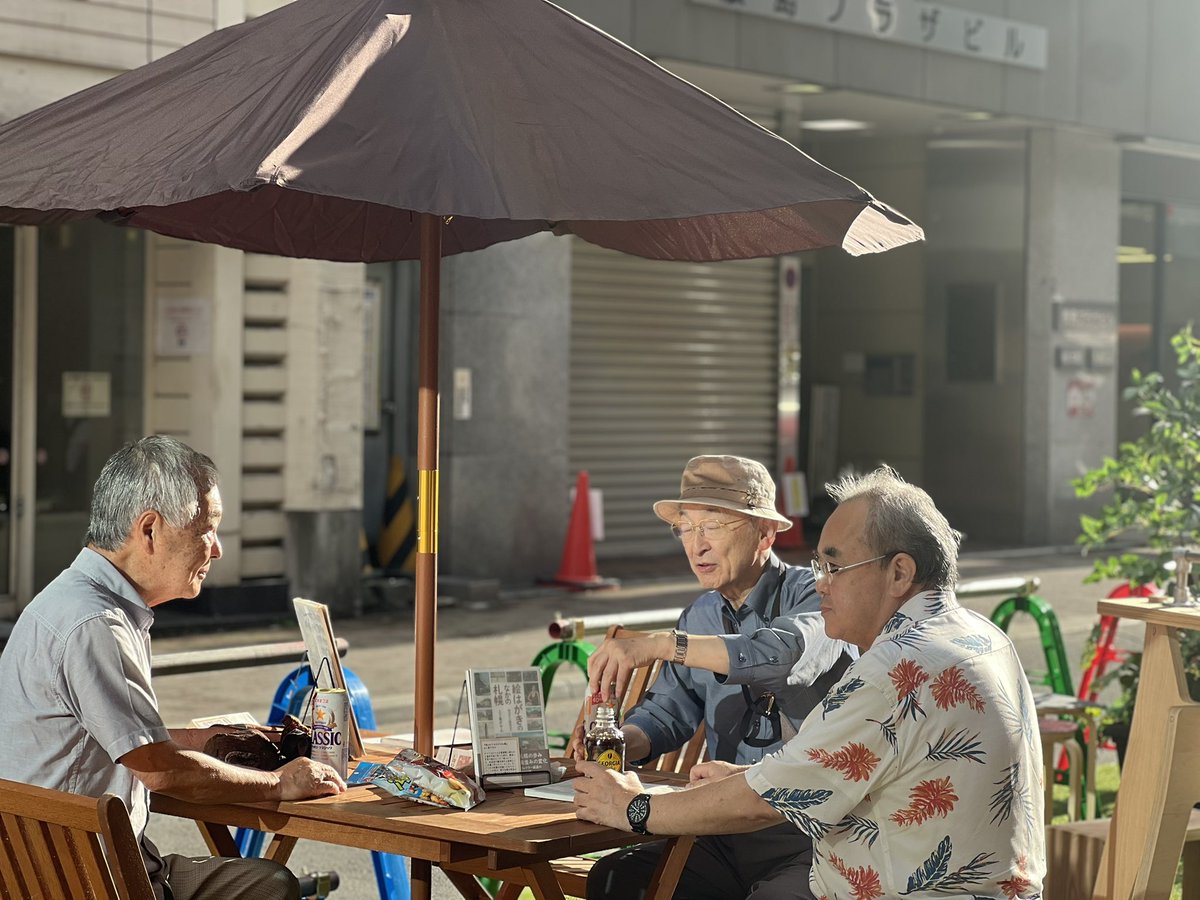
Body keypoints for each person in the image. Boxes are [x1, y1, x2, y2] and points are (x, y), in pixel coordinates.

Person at [574, 465, 1045, 900]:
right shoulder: (982, 635)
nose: (823, 584)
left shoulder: (892, 669)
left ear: (899, 572)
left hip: (857, 866)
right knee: (624, 879)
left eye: (835, 568)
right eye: (686, 528)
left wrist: (633, 807)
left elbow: (763, 798)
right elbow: (851, 768)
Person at [0, 435, 347, 900]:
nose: (217, 549)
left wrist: (208, 740)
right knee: (270, 885)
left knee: (262, 879)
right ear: (150, 531)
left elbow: (120, 741)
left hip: (48, 868)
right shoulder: (97, 624)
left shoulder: (71, 600)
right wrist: (278, 783)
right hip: (93, 879)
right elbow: (159, 771)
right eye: (207, 529)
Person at [570, 454, 855, 900]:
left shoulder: (816, 595)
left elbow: (779, 655)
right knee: (615, 879)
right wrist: (618, 742)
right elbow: (667, 711)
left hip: (810, 838)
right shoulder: (701, 613)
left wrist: (664, 644)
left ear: (765, 532)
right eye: (686, 527)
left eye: (714, 526)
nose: (695, 545)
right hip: (718, 833)